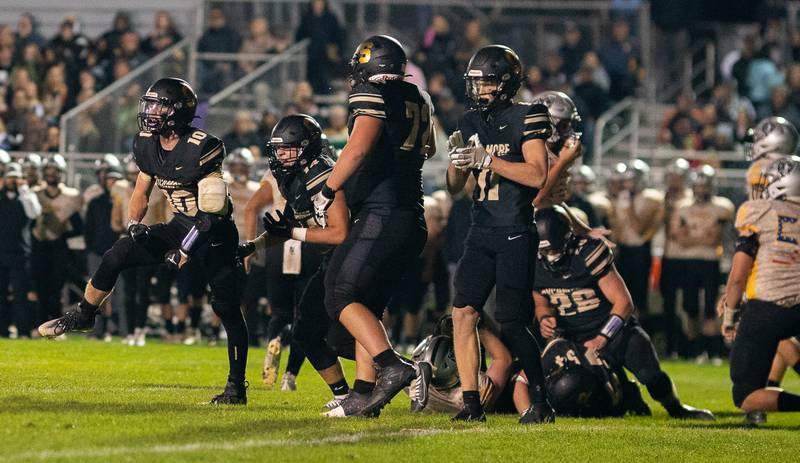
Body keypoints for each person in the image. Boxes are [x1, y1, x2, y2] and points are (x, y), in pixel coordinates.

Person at [38, 78, 249, 404]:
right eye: (149, 105)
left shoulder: (202, 147)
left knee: (226, 308)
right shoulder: (147, 144)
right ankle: (84, 313)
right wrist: (134, 223)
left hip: (214, 234)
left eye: (160, 105)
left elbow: (211, 214)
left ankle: (236, 388)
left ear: (178, 112)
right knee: (119, 251)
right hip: (181, 223)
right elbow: (141, 190)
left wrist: (184, 249)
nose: (151, 112)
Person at [311, 35, 433, 417]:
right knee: (366, 304)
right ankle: (364, 394)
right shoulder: (419, 97)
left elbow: (359, 147)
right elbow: (426, 149)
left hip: (385, 210)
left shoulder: (370, 93)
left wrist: (329, 189)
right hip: (410, 213)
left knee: (339, 292)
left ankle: (395, 367)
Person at [445, 44, 552, 423]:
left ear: (506, 83)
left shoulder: (530, 116)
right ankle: (471, 403)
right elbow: (455, 186)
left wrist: (489, 159)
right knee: (462, 313)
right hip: (481, 228)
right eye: (475, 83)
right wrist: (458, 163)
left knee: (511, 321)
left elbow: (538, 175)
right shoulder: (471, 121)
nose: (479, 90)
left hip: (514, 230)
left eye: (486, 82)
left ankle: (541, 401)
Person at [534, 206, 715, 420]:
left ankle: (677, 408)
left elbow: (624, 303)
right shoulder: (533, 261)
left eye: (555, 249)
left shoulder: (587, 253)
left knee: (651, 375)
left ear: (568, 238)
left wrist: (602, 338)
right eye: (545, 251)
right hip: (572, 338)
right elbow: (541, 300)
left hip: (615, 329)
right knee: (567, 389)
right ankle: (626, 395)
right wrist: (544, 317)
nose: (552, 257)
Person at [240, 114, 355, 406]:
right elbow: (288, 226)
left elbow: (339, 233)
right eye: (278, 148)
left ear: (308, 147)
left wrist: (293, 231)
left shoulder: (324, 174)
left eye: (288, 148)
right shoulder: (294, 176)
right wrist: (254, 245)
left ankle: (407, 371)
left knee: (339, 337)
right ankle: (344, 395)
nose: (281, 155)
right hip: (334, 260)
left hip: (352, 257)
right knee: (306, 331)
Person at [721, 156, 800, 424]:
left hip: (766, 307)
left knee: (746, 395)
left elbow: (739, 274)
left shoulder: (758, 211)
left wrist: (730, 314)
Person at [670, 166, 734, 364]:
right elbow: (678, 237)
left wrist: (693, 236)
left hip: (711, 261)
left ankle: (711, 350)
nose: (701, 190)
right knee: (689, 307)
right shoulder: (682, 206)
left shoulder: (723, 206)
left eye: (705, 186)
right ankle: (694, 349)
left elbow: (714, 240)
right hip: (688, 261)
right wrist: (700, 237)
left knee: (710, 307)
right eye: (698, 186)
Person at [30, 155, 83, 327]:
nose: (51, 174)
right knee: (39, 287)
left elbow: (78, 226)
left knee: (56, 288)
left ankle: (54, 326)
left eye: (54, 170)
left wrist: (61, 233)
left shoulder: (71, 196)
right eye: (48, 170)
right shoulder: (35, 194)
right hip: (38, 245)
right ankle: (39, 325)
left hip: (58, 246)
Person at [609, 159, 663, 320]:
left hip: (640, 250)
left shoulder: (650, 197)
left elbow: (639, 229)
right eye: (627, 180)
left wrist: (630, 204)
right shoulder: (621, 197)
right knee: (621, 294)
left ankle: (643, 330)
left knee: (639, 296)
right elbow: (616, 227)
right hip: (622, 250)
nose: (628, 184)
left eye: (632, 180)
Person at [0, 162, 40, 338]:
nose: (13, 181)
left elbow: (34, 213)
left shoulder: (26, 197)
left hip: (20, 252)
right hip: (1, 251)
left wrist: (24, 191)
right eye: (10, 177)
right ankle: (2, 330)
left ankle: (23, 331)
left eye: (16, 178)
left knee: (20, 296)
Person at [744, 117, 799, 200]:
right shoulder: (795, 167)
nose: (756, 142)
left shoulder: (760, 167)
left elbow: (755, 203)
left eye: (759, 138)